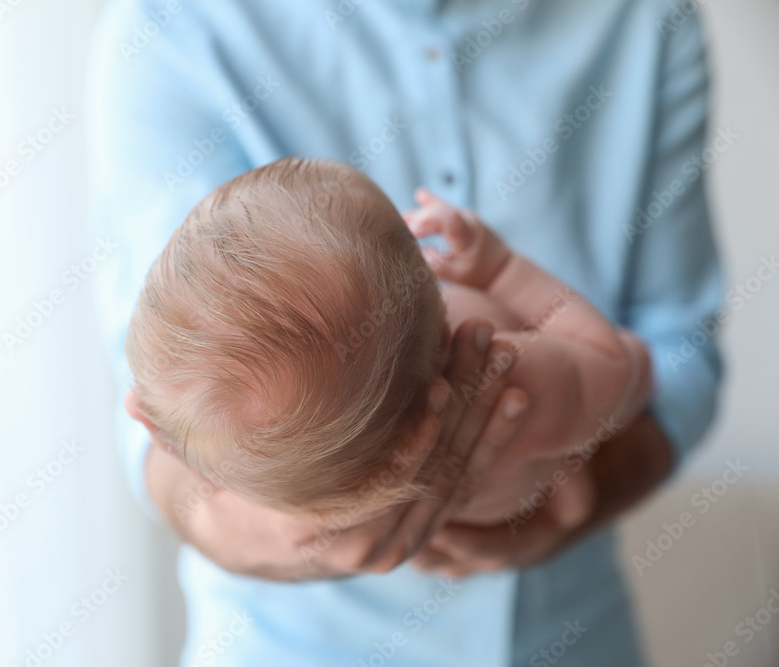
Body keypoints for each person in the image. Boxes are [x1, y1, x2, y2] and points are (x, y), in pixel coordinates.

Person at [88, 0, 723, 664]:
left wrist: (578, 503)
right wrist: (504, 272)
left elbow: (688, 351)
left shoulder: (644, 18)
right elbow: (636, 368)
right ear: (440, 322)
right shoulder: (172, 28)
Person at [123, 157, 651, 531]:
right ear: (441, 334)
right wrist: (503, 270)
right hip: (539, 493)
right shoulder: (504, 373)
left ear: (158, 433)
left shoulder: (254, 470)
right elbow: (619, 368)